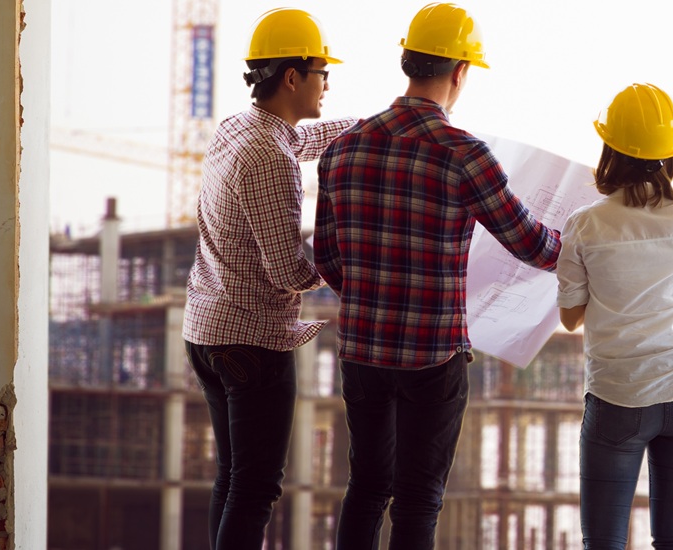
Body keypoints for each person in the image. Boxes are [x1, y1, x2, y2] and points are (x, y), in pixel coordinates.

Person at [311, 3, 562, 547]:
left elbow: (327, 258)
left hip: (362, 350)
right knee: (419, 499)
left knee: (367, 487)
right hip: (432, 355)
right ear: (460, 72)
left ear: (407, 61)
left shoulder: (342, 149)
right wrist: (583, 242)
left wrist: (371, 302)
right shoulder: (464, 154)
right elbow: (532, 244)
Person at [179, 7, 353, 549]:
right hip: (251, 341)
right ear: (293, 76)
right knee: (256, 489)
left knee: (232, 480)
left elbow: (300, 142)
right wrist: (345, 264)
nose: (329, 83)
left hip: (205, 330)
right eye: (323, 73)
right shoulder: (270, 158)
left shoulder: (239, 129)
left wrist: (363, 127)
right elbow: (288, 272)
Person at [556, 83, 673, 550]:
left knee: (605, 543)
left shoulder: (586, 226)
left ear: (610, 151)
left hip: (619, 398)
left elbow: (570, 317)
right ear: (668, 155)